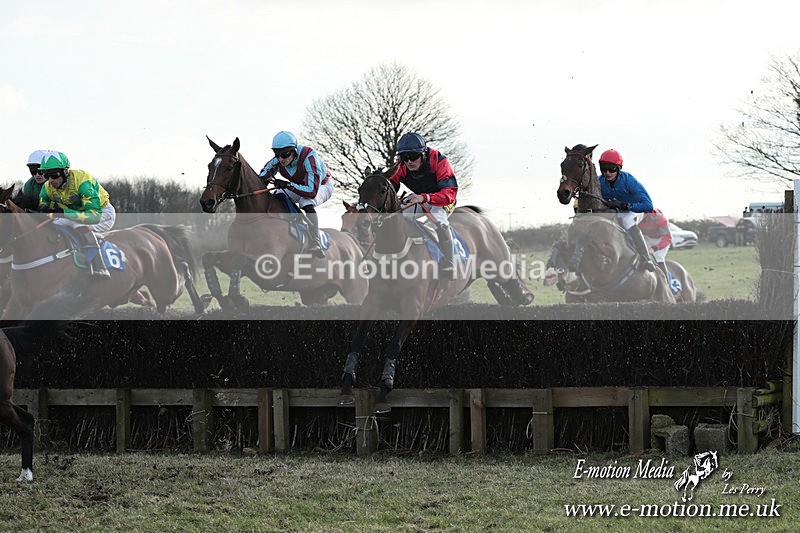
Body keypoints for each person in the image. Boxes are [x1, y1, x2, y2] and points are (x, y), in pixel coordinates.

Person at [37, 151, 115, 279]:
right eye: (46, 175)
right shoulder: (47, 187)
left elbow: (94, 216)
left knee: (77, 224)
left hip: (102, 214)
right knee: (53, 224)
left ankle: (100, 266)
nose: (50, 180)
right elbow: (44, 206)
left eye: (54, 175)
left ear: (65, 171)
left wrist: (64, 213)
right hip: (73, 214)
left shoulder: (83, 182)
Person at [389, 132, 458, 274]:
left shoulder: (439, 161)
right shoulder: (400, 166)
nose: (409, 161)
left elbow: (449, 194)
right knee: (396, 216)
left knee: (437, 219)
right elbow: (389, 188)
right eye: (404, 157)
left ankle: (449, 263)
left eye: (413, 156)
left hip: (443, 200)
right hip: (420, 198)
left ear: (423, 154)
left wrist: (424, 198)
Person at [258, 131, 333, 258]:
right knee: (277, 195)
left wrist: (288, 185)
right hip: (300, 186)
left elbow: (311, 191)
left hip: (321, 186)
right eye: (277, 154)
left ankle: (315, 241)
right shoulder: (279, 159)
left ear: (294, 151)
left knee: (306, 201)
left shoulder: (309, 157)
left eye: (284, 154)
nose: (281, 159)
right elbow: (262, 177)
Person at [597, 148, 656, 272]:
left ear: (619, 169)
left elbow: (648, 206)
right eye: (604, 169)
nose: (607, 173)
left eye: (611, 169)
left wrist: (625, 205)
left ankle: (646, 258)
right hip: (615, 212)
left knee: (627, 221)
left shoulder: (629, 181)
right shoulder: (599, 181)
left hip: (634, 210)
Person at [638, 208, 672, 280]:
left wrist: (655, 248)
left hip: (661, 238)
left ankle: (667, 283)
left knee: (658, 257)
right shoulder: (635, 216)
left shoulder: (659, 217)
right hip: (646, 237)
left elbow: (667, 238)